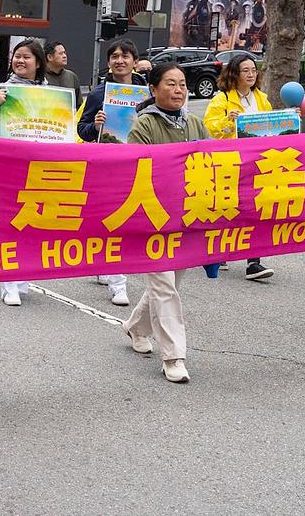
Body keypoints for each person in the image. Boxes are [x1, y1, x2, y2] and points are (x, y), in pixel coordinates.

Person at [122, 63, 211, 383]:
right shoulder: (144, 125)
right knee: (164, 285)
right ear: (154, 89)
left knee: (171, 282)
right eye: (170, 83)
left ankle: (135, 326)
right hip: (155, 217)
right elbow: (135, 167)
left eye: (182, 84)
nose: (178, 90)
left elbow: (214, 161)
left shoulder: (195, 123)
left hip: (187, 215)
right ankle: (174, 356)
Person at [0, 39, 49, 306]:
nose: (20, 61)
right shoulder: (2, 91)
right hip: (10, 165)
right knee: (10, 222)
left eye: (26, 57)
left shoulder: (50, 93)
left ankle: (22, 276)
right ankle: (8, 282)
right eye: (17, 56)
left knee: (32, 222)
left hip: (39, 166)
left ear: (38, 62)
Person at [76, 39, 147, 305]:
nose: (120, 61)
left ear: (135, 61)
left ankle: (107, 266)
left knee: (128, 220)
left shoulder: (147, 91)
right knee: (114, 217)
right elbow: (82, 130)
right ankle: (118, 283)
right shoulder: (98, 94)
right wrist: (95, 126)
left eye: (125, 56)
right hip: (108, 166)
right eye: (115, 56)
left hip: (139, 163)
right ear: (108, 62)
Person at [203, 53, 276, 281]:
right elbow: (211, 129)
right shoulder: (222, 99)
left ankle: (253, 262)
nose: (251, 74)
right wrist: (228, 121)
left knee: (256, 208)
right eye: (246, 70)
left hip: (257, 162)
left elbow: (272, 127)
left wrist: (289, 119)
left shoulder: (262, 99)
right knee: (228, 207)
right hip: (230, 162)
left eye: (253, 70)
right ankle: (219, 250)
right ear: (234, 73)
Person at [44, 41, 82, 110]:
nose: (64, 56)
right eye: (60, 54)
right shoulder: (39, 76)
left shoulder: (71, 76)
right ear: (49, 57)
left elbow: (79, 105)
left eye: (64, 53)